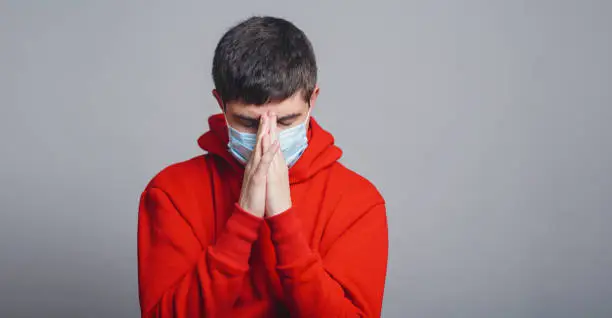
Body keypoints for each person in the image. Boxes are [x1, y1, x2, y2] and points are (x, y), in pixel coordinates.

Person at [137, 15, 388, 317]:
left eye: (285, 121)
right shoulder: (169, 193)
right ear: (221, 104)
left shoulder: (359, 202)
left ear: (312, 100)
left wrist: (283, 220)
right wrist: (243, 220)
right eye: (248, 121)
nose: (266, 140)